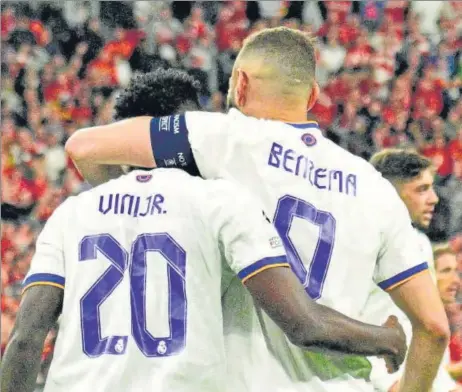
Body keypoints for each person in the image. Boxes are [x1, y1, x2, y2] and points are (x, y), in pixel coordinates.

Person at [65, 28, 449, 392]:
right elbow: (433, 327)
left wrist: (143, 210)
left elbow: (84, 148)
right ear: (312, 96)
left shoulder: (227, 138)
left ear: (241, 84)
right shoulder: (374, 187)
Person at [2, 69, 407, 392]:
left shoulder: (72, 213)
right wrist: (385, 338)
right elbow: (303, 324)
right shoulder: (222, 202)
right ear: (186, 130)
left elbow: (24, 339)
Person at [360, 149, 460, 392]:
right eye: (421, 189)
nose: (434, 198)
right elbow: (363, 320)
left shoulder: (419, 242)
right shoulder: (364, 241)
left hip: (417, 376)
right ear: (390, 193)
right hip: (380, 379)